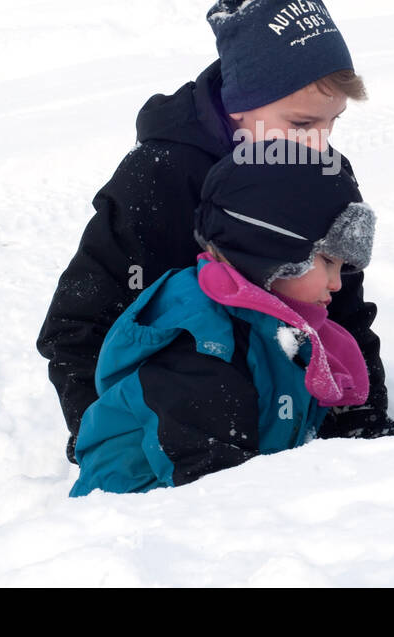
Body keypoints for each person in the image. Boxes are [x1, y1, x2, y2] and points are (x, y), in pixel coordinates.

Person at [37, 0, 394, 463]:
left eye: (332, 122)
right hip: (169, 435)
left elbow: (341, 307)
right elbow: (78, 323)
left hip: (284, 423)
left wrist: (362, 418)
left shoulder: (319, 171)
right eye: (301, 123)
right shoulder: (163, 175)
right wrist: (105, 436)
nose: (319, 143)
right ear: (237, 105)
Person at [71, 144, 378, 495]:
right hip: (136, 514)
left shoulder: (277, 328)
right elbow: (214, 491)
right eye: (327, 262)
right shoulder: (205, 347)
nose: (337, 283)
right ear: (271, 248)